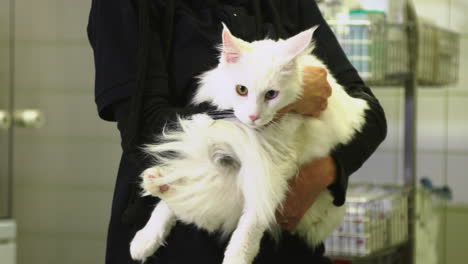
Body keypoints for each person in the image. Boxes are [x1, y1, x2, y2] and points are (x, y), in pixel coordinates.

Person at [87, 0, 387, 263]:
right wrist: (290, 101)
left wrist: (324, 171)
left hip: (285, 245)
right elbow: (145, 128)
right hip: (180, 245)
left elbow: (370, 113)